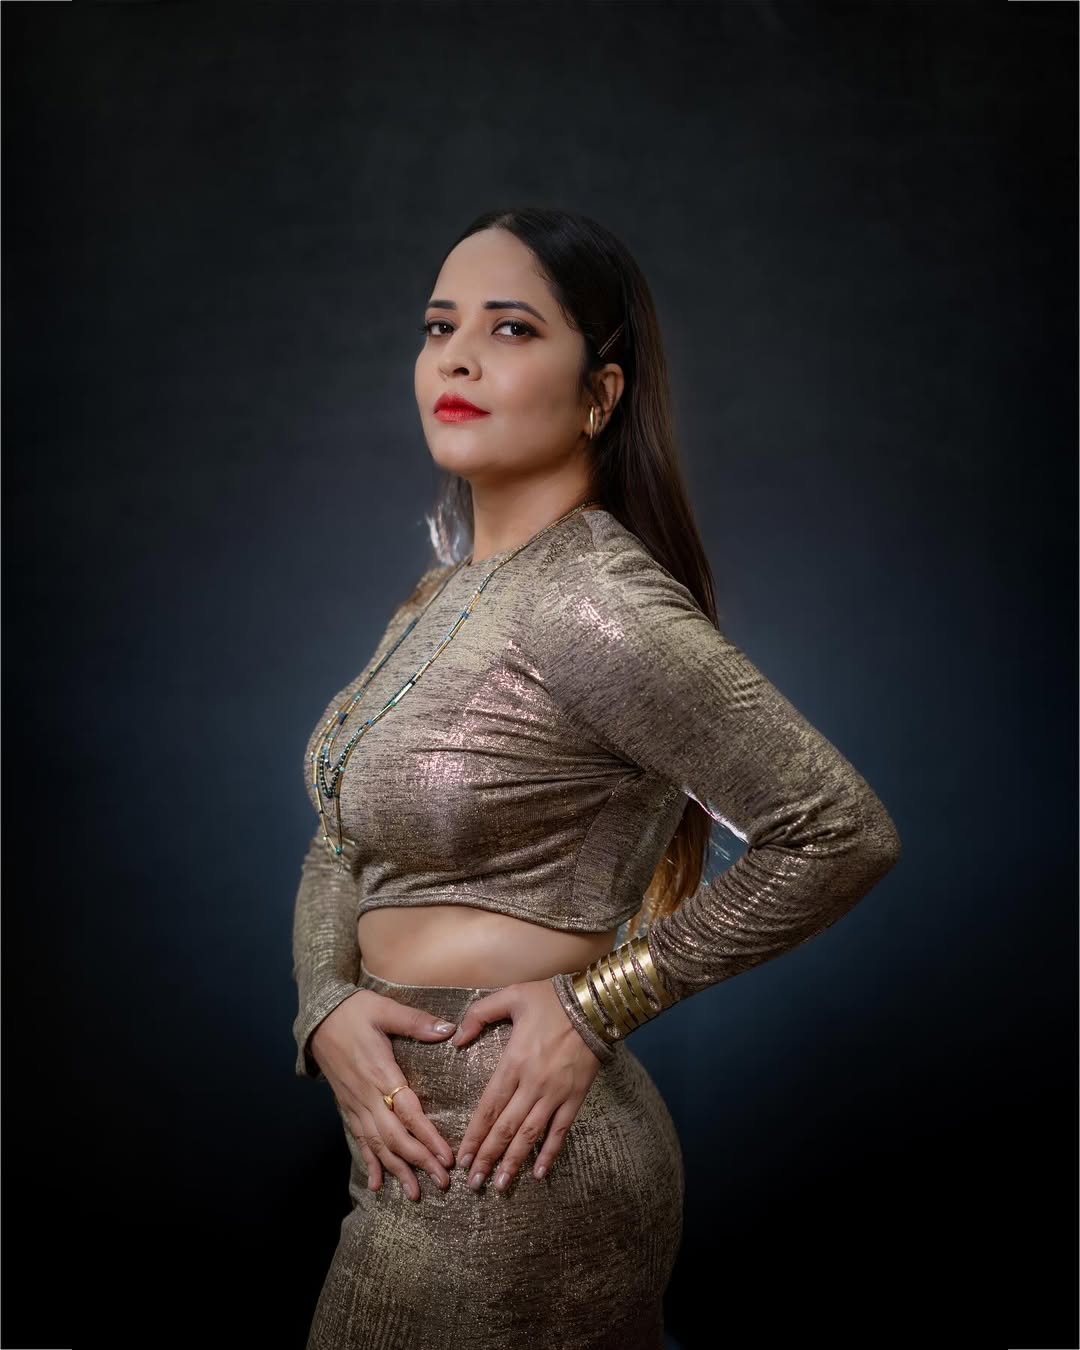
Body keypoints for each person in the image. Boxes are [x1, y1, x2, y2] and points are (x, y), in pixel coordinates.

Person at [291, 206, 902, 1350]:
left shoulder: (593, 599)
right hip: (414, 1151)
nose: (457, 358)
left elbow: (839, 831)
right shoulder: (435, 598)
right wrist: (323, 1003)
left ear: (600, 394)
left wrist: (599, 1002)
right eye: (439, 327)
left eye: (511, 328)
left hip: (524, 1160)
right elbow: (340, 836)